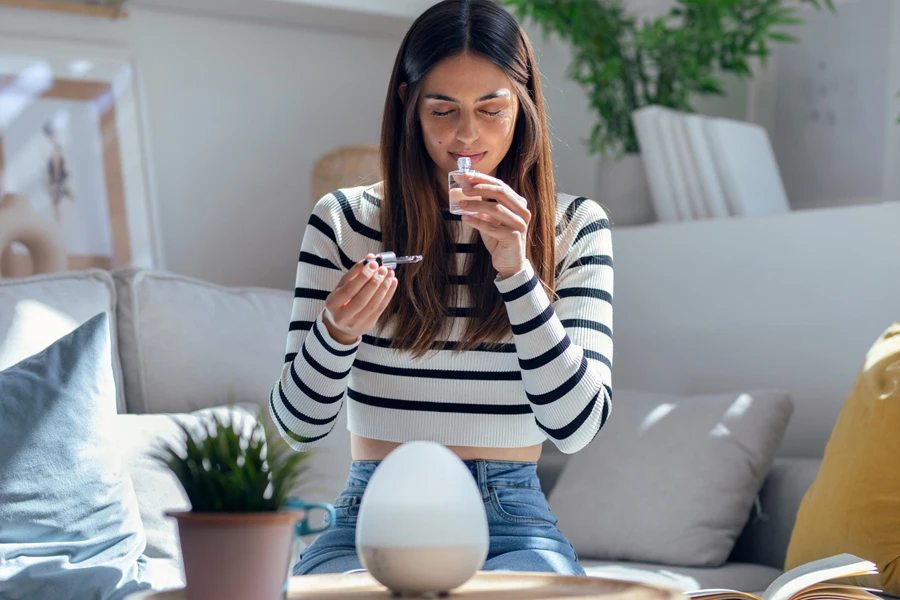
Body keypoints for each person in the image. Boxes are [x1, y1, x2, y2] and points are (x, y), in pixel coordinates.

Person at [270, 0, 613, 576]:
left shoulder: (571, 230)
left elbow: (576, 429)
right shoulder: (345, 223)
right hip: (370, 513)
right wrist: (335, 335)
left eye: (491, 109)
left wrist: (516, 272)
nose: (466, 135)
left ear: (524, 107)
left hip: (511, 521)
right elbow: (298, 428)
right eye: (443, 109)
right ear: (409, 104)